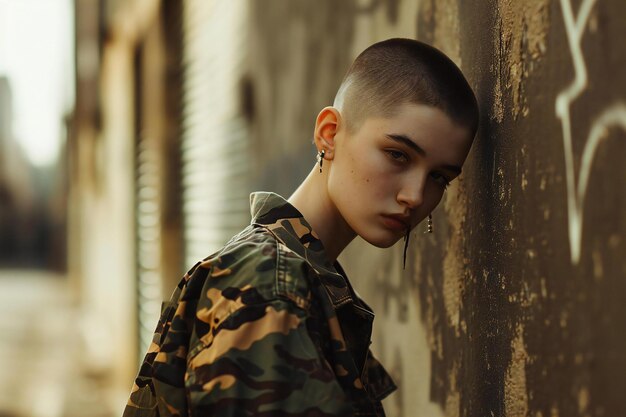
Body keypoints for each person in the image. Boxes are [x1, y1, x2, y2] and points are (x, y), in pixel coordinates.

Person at [123, 38, 479, 417]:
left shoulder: (299, 277)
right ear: (329, 134)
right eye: (397, 155)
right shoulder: (271, 287)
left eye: (440, 177)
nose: (415, 195)